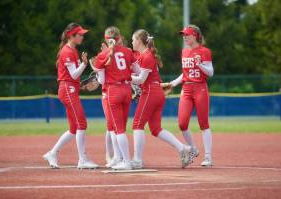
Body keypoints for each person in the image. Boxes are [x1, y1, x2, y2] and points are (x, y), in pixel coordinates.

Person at [130, 29, 195, 169]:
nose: (132, 42)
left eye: (133, 40)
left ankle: (137, 160)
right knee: (155, 129)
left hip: (150, 92)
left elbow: (141, 79)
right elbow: (141, 77)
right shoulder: (145, 55)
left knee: (137, 125)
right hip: (156, 92)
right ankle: (183, 148)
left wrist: (125, 77)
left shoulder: (146, 56)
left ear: (140, 41)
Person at [43, 23, 99, 169]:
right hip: (67, 90)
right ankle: (82, 160)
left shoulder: (73, 50)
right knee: (82, 124)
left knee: (74, 128)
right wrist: (85, 64)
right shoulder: (67, 51)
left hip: (70, 88)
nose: (82, 36)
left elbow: (73, 76)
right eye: (79, 34)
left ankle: (53, 153)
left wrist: (82, 84)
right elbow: (73, 74)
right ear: (71, 35)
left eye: (82, 34)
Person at [166, 25, 214, 167]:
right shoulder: (185, 51)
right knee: (182, 123)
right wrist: (173, 83)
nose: (184, 37)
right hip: (186, 89)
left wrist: (200, 65)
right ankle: (193, 149)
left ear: (195, 36)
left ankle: (208, 157)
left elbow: (210, 72)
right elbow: (185, 73)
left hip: (200, 88)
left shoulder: (205, 51)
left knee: (203, 124)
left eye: (187, 34)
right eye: (183, 35)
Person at [92, 26, 135, 170]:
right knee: (121, 128)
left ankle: (126, 162)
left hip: (114, 91)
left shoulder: (103, 55)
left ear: (106, 38)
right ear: (119, 37)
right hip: (127, 89)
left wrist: (97, 73)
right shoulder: (128, 51)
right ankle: (120, 158)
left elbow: (102, 81)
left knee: (118, 130)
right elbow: (138, 73)